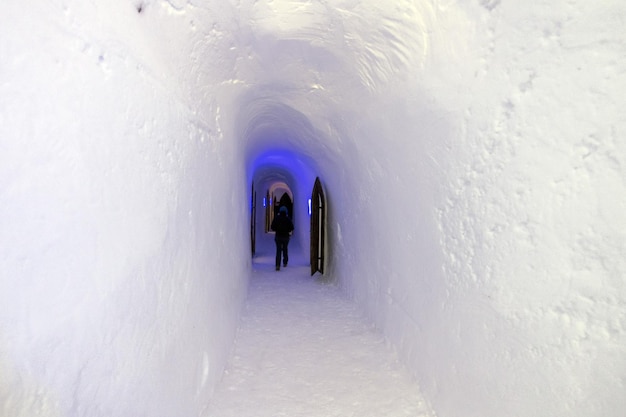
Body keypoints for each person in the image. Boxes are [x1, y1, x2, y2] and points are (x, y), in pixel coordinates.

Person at [270, 206, 294, 271]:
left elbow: (272, 227)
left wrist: (277, 229)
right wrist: (287, 230)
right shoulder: (288, 219)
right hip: (286, 237)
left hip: (278, 236)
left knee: (278, 250)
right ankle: (285, 262)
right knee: (285, 249)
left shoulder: (277, 218)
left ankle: (278, 265)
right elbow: (292, 227)